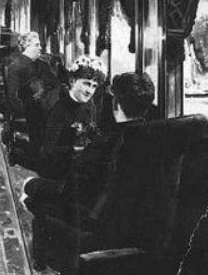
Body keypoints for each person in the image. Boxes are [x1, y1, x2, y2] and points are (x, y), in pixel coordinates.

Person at [21, 72, 156, 223]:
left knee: (28, 190)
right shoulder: (156, 142)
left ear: (116, 104)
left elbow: (69, 191)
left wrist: (31, 184)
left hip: (92, 221)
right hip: (129, 220)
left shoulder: (102, 147)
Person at [33, 57, 107, 180]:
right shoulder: (58, 108)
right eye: (86, 84)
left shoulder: (90, 105)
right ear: (72, 81)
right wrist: (76, 150)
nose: (90, 91)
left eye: (94, 86)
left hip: (80, 165)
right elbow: (48, 151)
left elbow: (90, 131)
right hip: (58, 170)